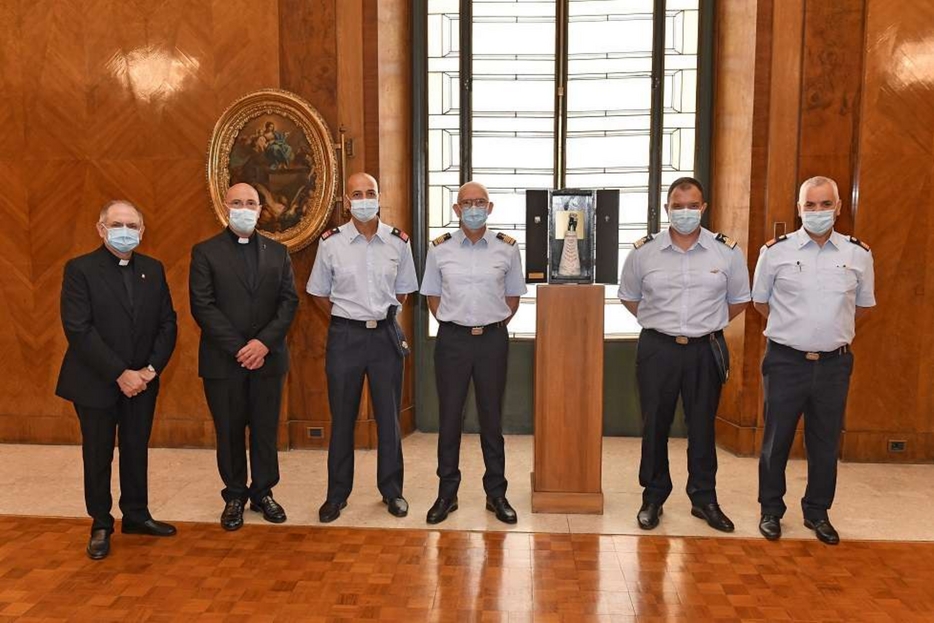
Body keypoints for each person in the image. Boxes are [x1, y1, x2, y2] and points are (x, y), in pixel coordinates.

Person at [618, 176, 750, 533]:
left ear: (704, 208)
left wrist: (705, 324)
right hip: (657, 348)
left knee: (703, 426)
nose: (686, 212)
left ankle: (704, 498)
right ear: (667, 209)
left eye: (693, 206)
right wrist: (662, 324)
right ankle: (653, 496)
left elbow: (739, 300)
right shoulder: (644, 251)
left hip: (705, 349)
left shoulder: (727, 252)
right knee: (655, 424)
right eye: (679, 206)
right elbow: (629, 296)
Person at [752, 176, 875, 545]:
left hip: (834, 365)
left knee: (824, 441)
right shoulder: (775, 252)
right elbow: (761, 303)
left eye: (825, 205)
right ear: (799, 208)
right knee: (776, 439)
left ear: (839, 207)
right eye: (810, 205)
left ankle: (818, 512)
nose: (817, 211)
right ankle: (771, 510)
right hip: (785, 361)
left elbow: (863, 308)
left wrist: (829, 334)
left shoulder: (858, 254)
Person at [56, 200, 178, 560]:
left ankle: (137, 515)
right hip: (96, 381)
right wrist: (120, 373)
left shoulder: (153, 269)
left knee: (136, 448)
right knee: (97, 454)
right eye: (117, 224)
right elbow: (79, 329)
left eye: (132, 226)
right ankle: (101, 523)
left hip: (143, 380)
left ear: (141, 231)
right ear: (101, 228)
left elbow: (168, 323)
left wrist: (149, 370)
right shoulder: (80, 270)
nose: (125, 232)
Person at [307, 172, 418, 523]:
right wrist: (348, 319)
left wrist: (375, 318)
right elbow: (319, 293)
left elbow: (402, 292)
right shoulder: (331, 243)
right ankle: (336, 495)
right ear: (346, 201)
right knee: (342, 419)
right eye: (357, 193)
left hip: (385, 336)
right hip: (346, 338)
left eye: (370, 192)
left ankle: (392, 492)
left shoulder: (398, 242)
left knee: (388, 418)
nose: (364, 199)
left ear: (380, 196)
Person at [189, 183, 298, 531]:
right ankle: (234, 495)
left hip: (268, 359)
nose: (245, 208)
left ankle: (263, 491)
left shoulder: (278, 252)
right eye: (238, 202)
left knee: (265, 430)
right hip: (224, 361)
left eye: (251, 203)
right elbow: (202, 306)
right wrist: (240, 347)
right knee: (230, 430)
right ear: (225, 206)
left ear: (260, 208)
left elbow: (288, 302)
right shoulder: (205, 252)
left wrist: (263, 344)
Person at [420, 181, 527, 525]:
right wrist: (459, 325)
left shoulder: (507, 248)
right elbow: (433, 298)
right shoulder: (439, 249)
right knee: (450, 418)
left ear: (490, 207)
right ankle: (446, 493)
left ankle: (496, 493)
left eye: (480, 201)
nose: (474, 207)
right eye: (467, 202)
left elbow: (512, 298)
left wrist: (487, 323)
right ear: (456, 209)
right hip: (452, 341)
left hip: (492, 340)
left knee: (491, 418)